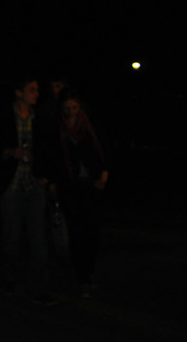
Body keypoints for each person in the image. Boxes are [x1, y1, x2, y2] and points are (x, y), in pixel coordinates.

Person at [0, 77, 61, 306]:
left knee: (38, 238)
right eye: (31, 90)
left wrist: (46, 174)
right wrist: (11, 152)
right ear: (19, 92)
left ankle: (40, 288)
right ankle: (9, 277)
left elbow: (50, 147)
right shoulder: (3, 117)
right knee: (11, 237)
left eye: (37, 90)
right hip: (11, 184)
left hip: (34, 183)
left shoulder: (40, 117)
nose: (36, 94)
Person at [55, 89, 109, 296]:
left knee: (92, 231)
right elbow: (55, 156)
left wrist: (104, 172)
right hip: (71, 185)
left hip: (91, 183)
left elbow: (103, 147)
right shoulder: (59, 127)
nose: (71, 111)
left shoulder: (88, 124)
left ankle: (90, 272)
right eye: (67, 108)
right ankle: (82, 276)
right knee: (76, 232)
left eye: (74, 107)